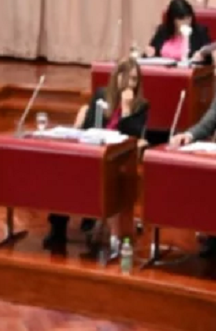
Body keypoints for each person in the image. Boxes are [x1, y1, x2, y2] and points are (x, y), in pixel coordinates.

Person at [47, 58, 151, 253]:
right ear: (117, 78)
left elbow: (133, 136)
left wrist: (127, 111)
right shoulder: (101, 95)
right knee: (62, 172)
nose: (131, 84)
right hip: (92, 153)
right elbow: (87, 128)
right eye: (127, 79)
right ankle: (57, 227)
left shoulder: (141, 106)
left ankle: (92, 215)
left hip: (116, 159)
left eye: (135, 80)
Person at [140, 0, 213, 63]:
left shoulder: (200, 32)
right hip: (164, 73)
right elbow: (148, 54)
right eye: (181, 19)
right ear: (173, 20)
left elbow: (209, 59)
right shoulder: (162, 31)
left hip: (188, 74)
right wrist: (149, 53)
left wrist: (201, 57)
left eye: (188, 18)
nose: (186, 22)